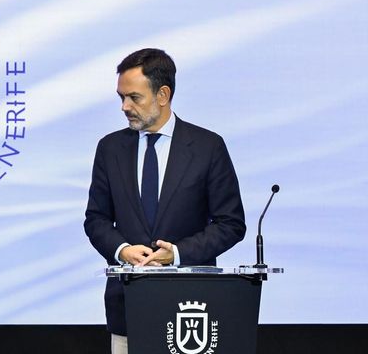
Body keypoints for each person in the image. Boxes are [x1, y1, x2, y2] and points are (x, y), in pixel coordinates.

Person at [83, 49, 246, 354]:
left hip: (190, 312)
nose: (124, 107)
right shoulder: (110, 148)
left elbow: (231, 223)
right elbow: (96, 219)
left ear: (163, 95)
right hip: (127, 309)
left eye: (134, 97)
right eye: (121, 97)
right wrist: (123, 251)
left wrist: (178, 254)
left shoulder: (208, 147)